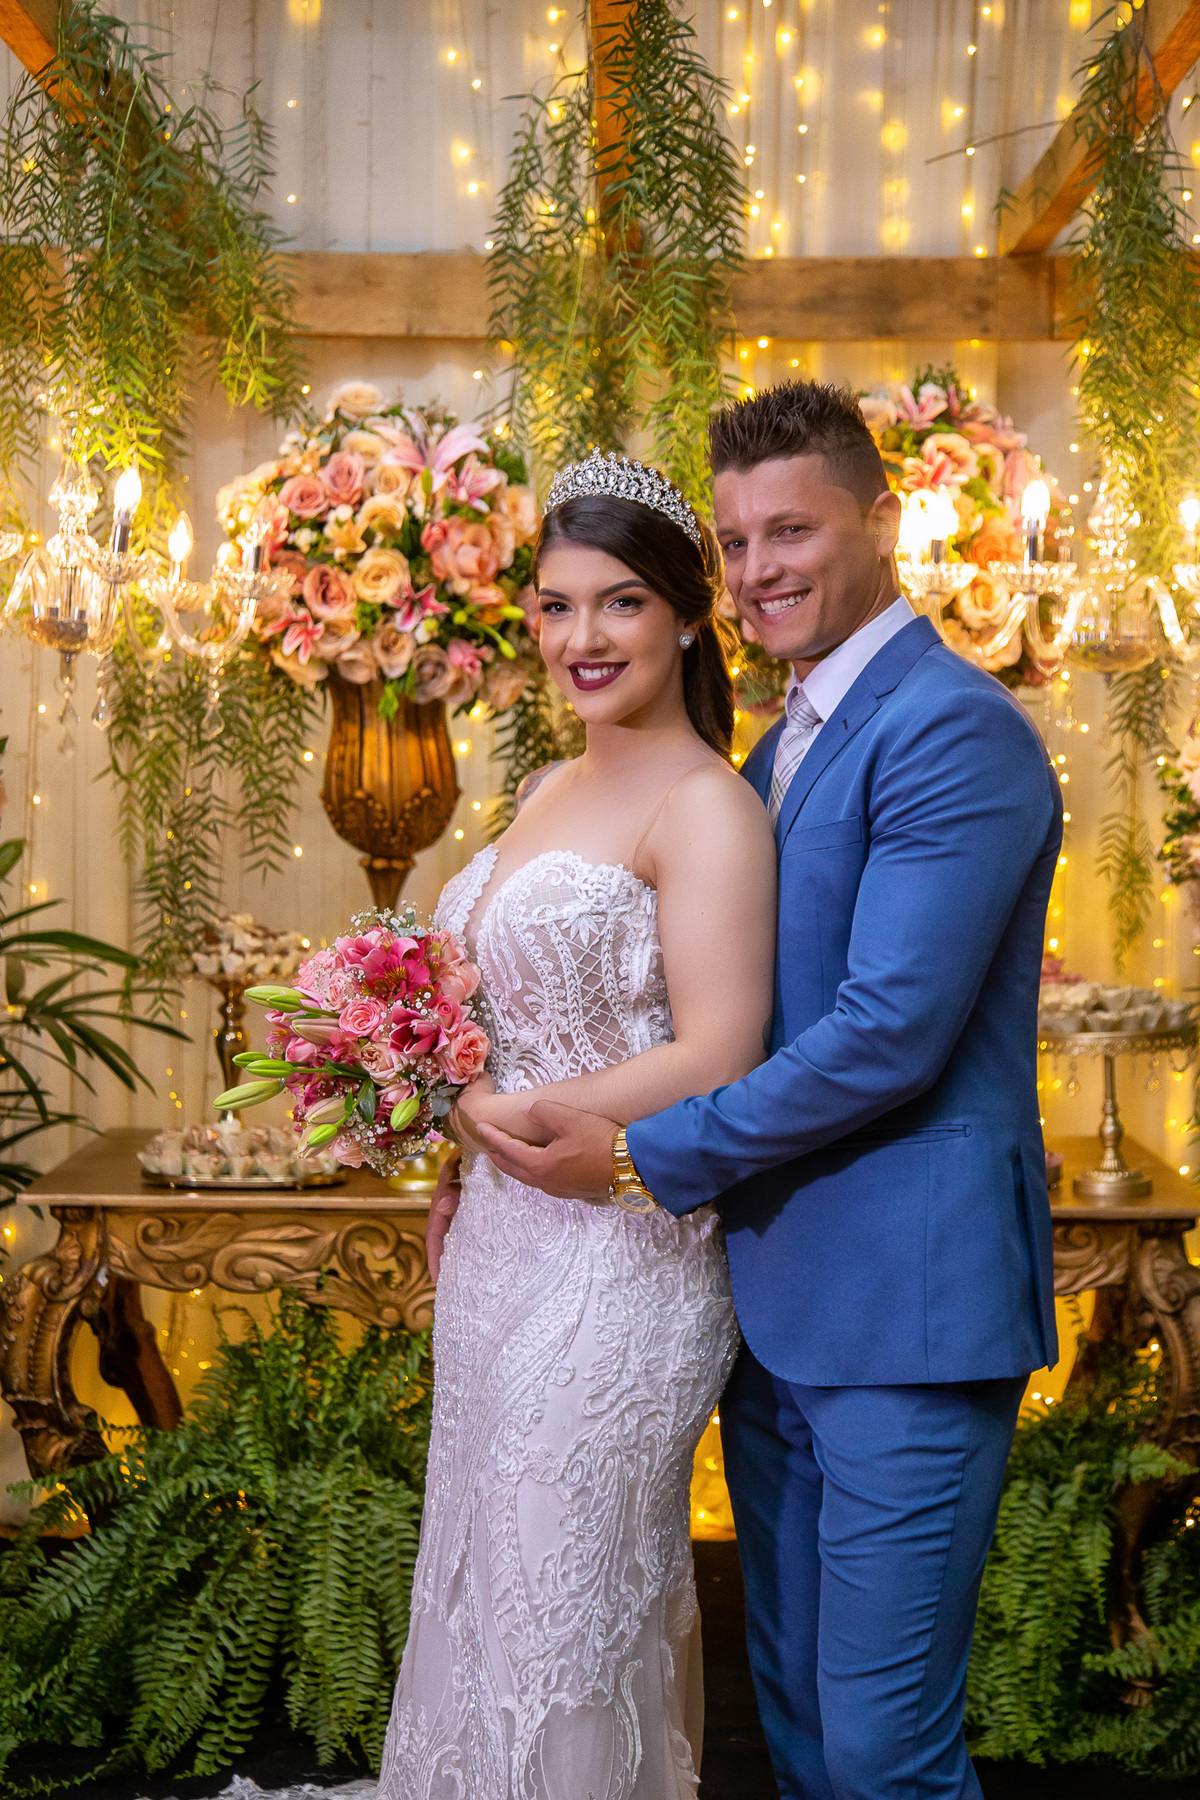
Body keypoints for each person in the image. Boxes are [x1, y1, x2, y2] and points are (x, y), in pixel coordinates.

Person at [469, 383, 1063, 1800]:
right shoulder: (779, 744)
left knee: (882, 1749)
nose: (757, 570)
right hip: (773, 1300)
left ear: (882, 521)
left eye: (790, 530)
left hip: (908, 1312)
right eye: (734, 542)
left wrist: (636, 1155)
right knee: (796, 1728)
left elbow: (886, 1038)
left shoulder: (953, 730)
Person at [376, 449, 778, 1799]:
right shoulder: (549, 786)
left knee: (566, 1602)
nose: (581, 638)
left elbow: (719, 1049)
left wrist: (502, 1116)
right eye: (556, 606)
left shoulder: (708, 805)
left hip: (626, 1253)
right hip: (500, 1245)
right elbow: (496, 1007)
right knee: (485, 1579)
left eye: (620, 603)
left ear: (686, 618)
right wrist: (453, 1140)